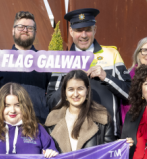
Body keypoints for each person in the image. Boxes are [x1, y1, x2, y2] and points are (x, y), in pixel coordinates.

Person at [47, 8, 131, 137]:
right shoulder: (62, 60)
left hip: (107, 136)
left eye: (88, 29)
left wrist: (106, 77)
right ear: (71, 31)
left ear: (95, 30)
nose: (84, 35)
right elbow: (51, 102)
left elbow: (130, 94)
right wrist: (69, 79)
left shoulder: (112, 54)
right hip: (72, 137)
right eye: (79, 30)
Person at [0, 11, 52, 123]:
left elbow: (51, 93)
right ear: (13, 30)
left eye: (29, 28)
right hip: (7, 125)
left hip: (39, 124)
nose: (25, 30)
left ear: (35, 32)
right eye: (20, 27)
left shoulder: (45, 61)